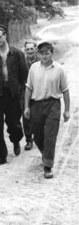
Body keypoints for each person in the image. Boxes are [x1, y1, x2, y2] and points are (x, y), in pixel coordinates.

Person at [24, 41, 70, 179]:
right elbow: (28, 88)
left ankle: (48, 166)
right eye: (42, 53)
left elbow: (65, 91)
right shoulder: (33, 68)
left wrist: (67, 110)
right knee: (37, 135)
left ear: (52, 53)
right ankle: (46, 153)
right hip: (36, 104)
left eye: (47, 53)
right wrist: (26, 106)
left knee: (50, 136)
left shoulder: (59, 69)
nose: (44, 56)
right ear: (38, 54)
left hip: (53, 105)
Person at [0, 25, 28, 166]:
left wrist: (24, 95)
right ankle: (0, 155)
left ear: (5, 36)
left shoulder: (17, 53)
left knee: (14, 123)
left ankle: (15, 140)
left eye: (0, 36)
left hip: (13, 94)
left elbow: (25, 77)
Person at [22, 40, 39, 151]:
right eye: (27, 49)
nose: (29, 51)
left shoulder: (40, 61)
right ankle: (28, 139)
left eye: (31, 48)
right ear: (25, 50)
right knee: (26, 115)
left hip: (38, 92)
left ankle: (38, 137)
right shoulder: (22, 62)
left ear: (35, 49)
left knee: (38, 116)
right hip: (25, 93)